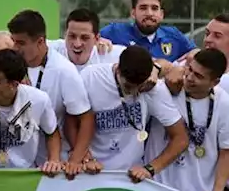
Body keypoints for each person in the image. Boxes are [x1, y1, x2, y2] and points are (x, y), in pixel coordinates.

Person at [79, 46, 187, 179]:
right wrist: (84, 157)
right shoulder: (91, 78)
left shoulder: (154, 89)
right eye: (128, 86)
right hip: (90, 173)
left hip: (130, 178)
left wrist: (150, 169)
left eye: (140, 86)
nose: (135, 91)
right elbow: (71, 121)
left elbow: (181, 138)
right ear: (118, 69)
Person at [7, 10, 94, 170]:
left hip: (54, 163)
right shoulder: (11, 64)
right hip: (18, 162)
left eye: (21, 43)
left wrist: (75, 160)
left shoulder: (63, 70)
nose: (14, 48)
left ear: (40, 42)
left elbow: (86, 118)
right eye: (13, 41)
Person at [147, 49, 229, 191]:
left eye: (198, 76)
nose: (189, 78)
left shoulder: (224, 102)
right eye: (190, 69)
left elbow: (226, 152)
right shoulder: (166, 90)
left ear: (215, 82)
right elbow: (158, 64)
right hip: (158, 189)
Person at [99, 0, 196, 63]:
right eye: (143, 8)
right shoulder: (115, 31)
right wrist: (98, 41)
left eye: (154, 8)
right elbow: (90, 39)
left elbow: (195, 51)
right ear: (133, 13)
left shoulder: (174, 35)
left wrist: (194, 53)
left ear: (161, 14)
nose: (149, 13)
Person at [49, 8, 124, 70]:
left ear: (97, 39)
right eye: (72, 36)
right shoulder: (51, 50)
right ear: (65, 35)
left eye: (85, 38)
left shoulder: (111, 55)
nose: (77, 44)